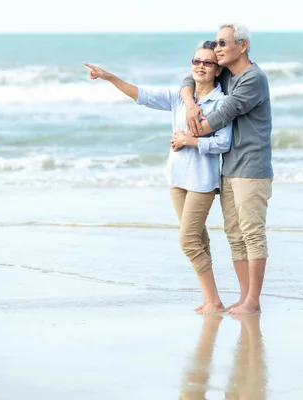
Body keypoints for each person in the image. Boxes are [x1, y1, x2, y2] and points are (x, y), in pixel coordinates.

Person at [84, 41, 233, 314]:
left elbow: (223, 143)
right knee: (199, 240)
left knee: (188, 241)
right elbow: (142, 95)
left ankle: (214, 301)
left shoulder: (221, 103)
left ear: (218, 70)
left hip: (202, 181)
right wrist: (110, 78)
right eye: (196, 61)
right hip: (177, 179)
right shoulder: (180, 97)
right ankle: (210, 299)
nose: (200, 66)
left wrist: (189, 140)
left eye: (207, 63)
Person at [176, 23, 273, 315]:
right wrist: (189, 102)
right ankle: (244, 299)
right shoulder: (229, 75)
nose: (217, 49)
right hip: (229, 167)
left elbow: (222, 116)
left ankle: (253, 301)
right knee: (234, 234)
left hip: (252, 168)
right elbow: (188, 77)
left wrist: (190, 136)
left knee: (252, 233)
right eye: (216, 44)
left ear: (241, 46)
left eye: (222, 43)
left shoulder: (252, 79)